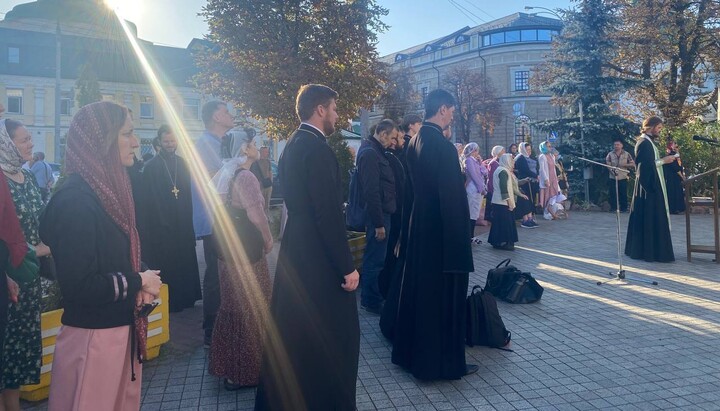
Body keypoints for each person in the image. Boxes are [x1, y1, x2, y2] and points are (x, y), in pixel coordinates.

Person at [39, 102, 163, 410]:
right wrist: (137, 280)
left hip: (116, 332)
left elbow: (115, 252)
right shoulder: (77, 201)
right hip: (94, 340)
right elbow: (79, 286)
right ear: (101, 140)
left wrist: (142, 276)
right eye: (128, 133)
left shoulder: (107, 189)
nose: (136, 142)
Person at [255, 84, 360, 410]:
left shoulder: (292, 144)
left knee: (295, 330)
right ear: (320, 109)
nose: (338, 116)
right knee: (334, 335)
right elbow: (328, 214)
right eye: (335, 109)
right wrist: (347, 266)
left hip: (297, 249)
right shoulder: (317, 149)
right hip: (318, 257)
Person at [391, 88, 476, 380]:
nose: (453, 115)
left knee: (421, 295)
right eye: (452, 110)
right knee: (441, 298)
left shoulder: (414, 141)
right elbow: (453, 198)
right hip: (441, 235)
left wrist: (405, 232)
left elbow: (409, 194)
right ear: (442, 109)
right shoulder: (441, 146)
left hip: (419, 229)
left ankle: (412, 356)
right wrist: (461, 244)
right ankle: (442, 364)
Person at [209, 130, 273, 390]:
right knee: (253, 305)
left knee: (232, 306)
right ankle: (246, 371)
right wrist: (268, 239)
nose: (257, 147)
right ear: (245, 149)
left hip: (227, 250)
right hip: (247, 253)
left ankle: (228, 367)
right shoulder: (246, 176)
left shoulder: (225, 173)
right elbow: (257, 215)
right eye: (254, 144)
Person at [0, 119, 44, 411]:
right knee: (5, 345)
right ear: (6, 143)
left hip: (30, 275)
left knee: (20, 348)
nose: (31, 144)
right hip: (9, 278)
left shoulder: (26, 178)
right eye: (24, 139)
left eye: (31, 138)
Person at [139, 125, 201, 313]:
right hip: (162, 224)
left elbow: (188, 194)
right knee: (169, 262)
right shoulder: (151, 167)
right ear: (159, 142)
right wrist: (162, 220)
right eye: (166, 141)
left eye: (173, 141)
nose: (170, 144)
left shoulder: (183, 163)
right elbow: (150, 199)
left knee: (184, 258)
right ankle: (172, 301)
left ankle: (187, 298)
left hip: (182, 220)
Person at [193, 100, 235, 345]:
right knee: (215, 275)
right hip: (214, 219)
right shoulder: (206, 145)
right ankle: (211, 328)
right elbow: (217, 182)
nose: (230, 115)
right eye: (226, 112)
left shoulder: (219, 143)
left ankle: (217, 325)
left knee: (221, 273)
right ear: (216, 117)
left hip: (222, 218)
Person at [357, 119, 397, 315]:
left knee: (377, 258)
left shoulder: (374, 151)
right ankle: (371, 300)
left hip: (381, 214)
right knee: (374, 260)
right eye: (392, 137)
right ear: (382, 134)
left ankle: (373, 297)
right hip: (378, 217)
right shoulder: (370, 153)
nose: (394, 142)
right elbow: (371, 191)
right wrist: (379, 223)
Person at [625, 116, 676, 263]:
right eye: (658, 128)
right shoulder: (643, 143)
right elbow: (643, 168)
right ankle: (651, 251)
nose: (660, 131)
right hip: (648, 188)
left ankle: (653, 250)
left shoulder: (648, 143)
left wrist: (663, 161)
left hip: (652, 185)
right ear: (651, 127)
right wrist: (664, 161)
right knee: (651, 218)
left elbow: (650, 163)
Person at [378, 125, 405, 300]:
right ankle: (381, 292)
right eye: (394, 138)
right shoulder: (386, 157)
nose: (396, 142)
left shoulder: (393, 157)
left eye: (398, 139)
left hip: (396, 211)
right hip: (390, 213)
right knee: (385, 256)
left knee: (390, 254)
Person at [489, 154, 525, 250]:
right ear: (507, 161)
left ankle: (497, 241)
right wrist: (509, 203)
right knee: (505, 224)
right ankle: (505, 243)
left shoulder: (502, 170)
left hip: (499, 202)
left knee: (499, 223)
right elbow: (504, 189)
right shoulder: (503, 171)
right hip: (502, 203)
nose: (513, 163)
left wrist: (520, 195)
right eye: (512, 161)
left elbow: (510, 187)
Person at [462, 143, 487, 243]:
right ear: (471, 151)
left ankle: (471, 236)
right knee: (472, 213)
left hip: (477, 189)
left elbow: (484, 172)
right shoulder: (468, 160)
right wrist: (481, 188)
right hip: (472, 189)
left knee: (475, 213)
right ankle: (470, 236)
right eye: (476, 150)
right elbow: (474, 175)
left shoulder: (475, 161)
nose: (477, 152)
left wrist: (480, 162)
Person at [605, 139, 635, 212]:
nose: (616, 146)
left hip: (623, 177)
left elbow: (633, 164)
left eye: (618, 145)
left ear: (622, 145)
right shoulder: (610, 154)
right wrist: (613, 172)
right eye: (615, 145)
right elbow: (608, 165)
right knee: (613, 193)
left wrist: (624, 165)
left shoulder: (626, 154)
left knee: (623, 193)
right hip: (613, 177)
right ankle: (613, 208)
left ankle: (623, 208)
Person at [514, 142, 539, 228]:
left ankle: (530, 218)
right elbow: (525, 170)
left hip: (531, 182)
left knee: (530, 200)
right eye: (527, 150)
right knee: (525, 201)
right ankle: (525, 219)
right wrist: (536, 176)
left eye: (530, 149)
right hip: (524, 182)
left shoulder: (528, 157)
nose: (529, 151)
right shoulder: (520, 158)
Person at [538, 141, 561, 219]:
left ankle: (551, 211)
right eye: (548, 146)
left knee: (553, 195)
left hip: (553, 178)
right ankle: (546, 212)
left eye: (550, 146)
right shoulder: (542, 156)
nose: (550, 148)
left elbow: (553, 168)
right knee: (547, 196)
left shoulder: (551, 156)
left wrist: (556, 178)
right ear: (544, 147)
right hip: (547, 179)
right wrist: (545, 179)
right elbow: (542, 169)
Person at [484, 145, 505, 222]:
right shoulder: (494, 163)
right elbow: (492, 176)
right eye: (502, 151)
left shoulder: (498, 161)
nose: (504, 153)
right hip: (493, 186)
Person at [663, 139, 685, 214]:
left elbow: (679, 165)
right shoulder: (670, 155)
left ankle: (679, 208)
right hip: (672, 177)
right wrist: (682, 176)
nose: (676, 145)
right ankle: (673, 209)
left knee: (678, 192)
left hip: (676, 178)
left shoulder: (676, 155)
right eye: (674, 144)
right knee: (673, 193)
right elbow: (675, 168)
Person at [252, 145, 273, 213]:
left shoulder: (268, 161)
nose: (267, 153)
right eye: (265, 152)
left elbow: (270, 172)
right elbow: (253, 174)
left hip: (268, 185)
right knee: (260, 202)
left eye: (267, 152)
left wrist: (271, 183)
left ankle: (267, 216)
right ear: (261, 152)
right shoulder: (255, 162)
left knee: (267, 202)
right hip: (259, 185)